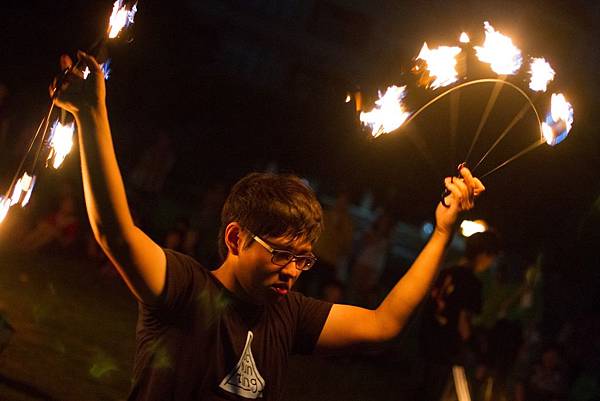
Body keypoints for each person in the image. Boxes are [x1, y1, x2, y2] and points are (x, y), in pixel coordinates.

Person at [52, 51, 485, 401]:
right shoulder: (185, 290)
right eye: (282, 254)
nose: (294, 270)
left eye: (303, 259)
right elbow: (117, 234)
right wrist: (91, 114)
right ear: (236, 238)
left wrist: (444, 231)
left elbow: (384, 323)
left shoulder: (288, 315)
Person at [419, 230, 501, 401]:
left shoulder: (447, 270)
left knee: (420, 389)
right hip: (446, 348)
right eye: (492, 257)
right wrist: (478, 351)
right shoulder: (473, 283)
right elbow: (463, 322)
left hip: (425, 339)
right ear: (484, 255)